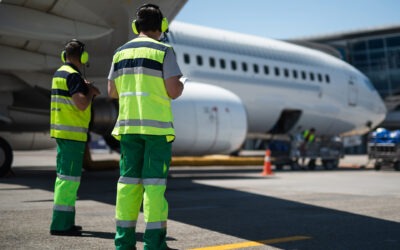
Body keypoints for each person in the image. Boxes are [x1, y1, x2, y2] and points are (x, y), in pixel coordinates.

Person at [107, 3, 184, 250]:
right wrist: (181, 85)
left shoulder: (120, 53)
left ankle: (123, 243)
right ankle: (154, 244)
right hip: (157, 131)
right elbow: (173, 91)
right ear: (161, 26)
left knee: (127, 186)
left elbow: (111, 92)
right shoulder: (164, 51)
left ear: (135, 26)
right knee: (154, 188)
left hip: (129, 129)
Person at [49, 39, 100, 236]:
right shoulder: (73, 76)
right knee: (68, 181)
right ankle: (61, 225)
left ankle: (66, 222)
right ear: (83, 57)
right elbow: (80, 104)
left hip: (64, 133)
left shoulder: (60, 73)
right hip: (72, 135)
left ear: (65, 56)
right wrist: (91, 92)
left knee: (66, 179)